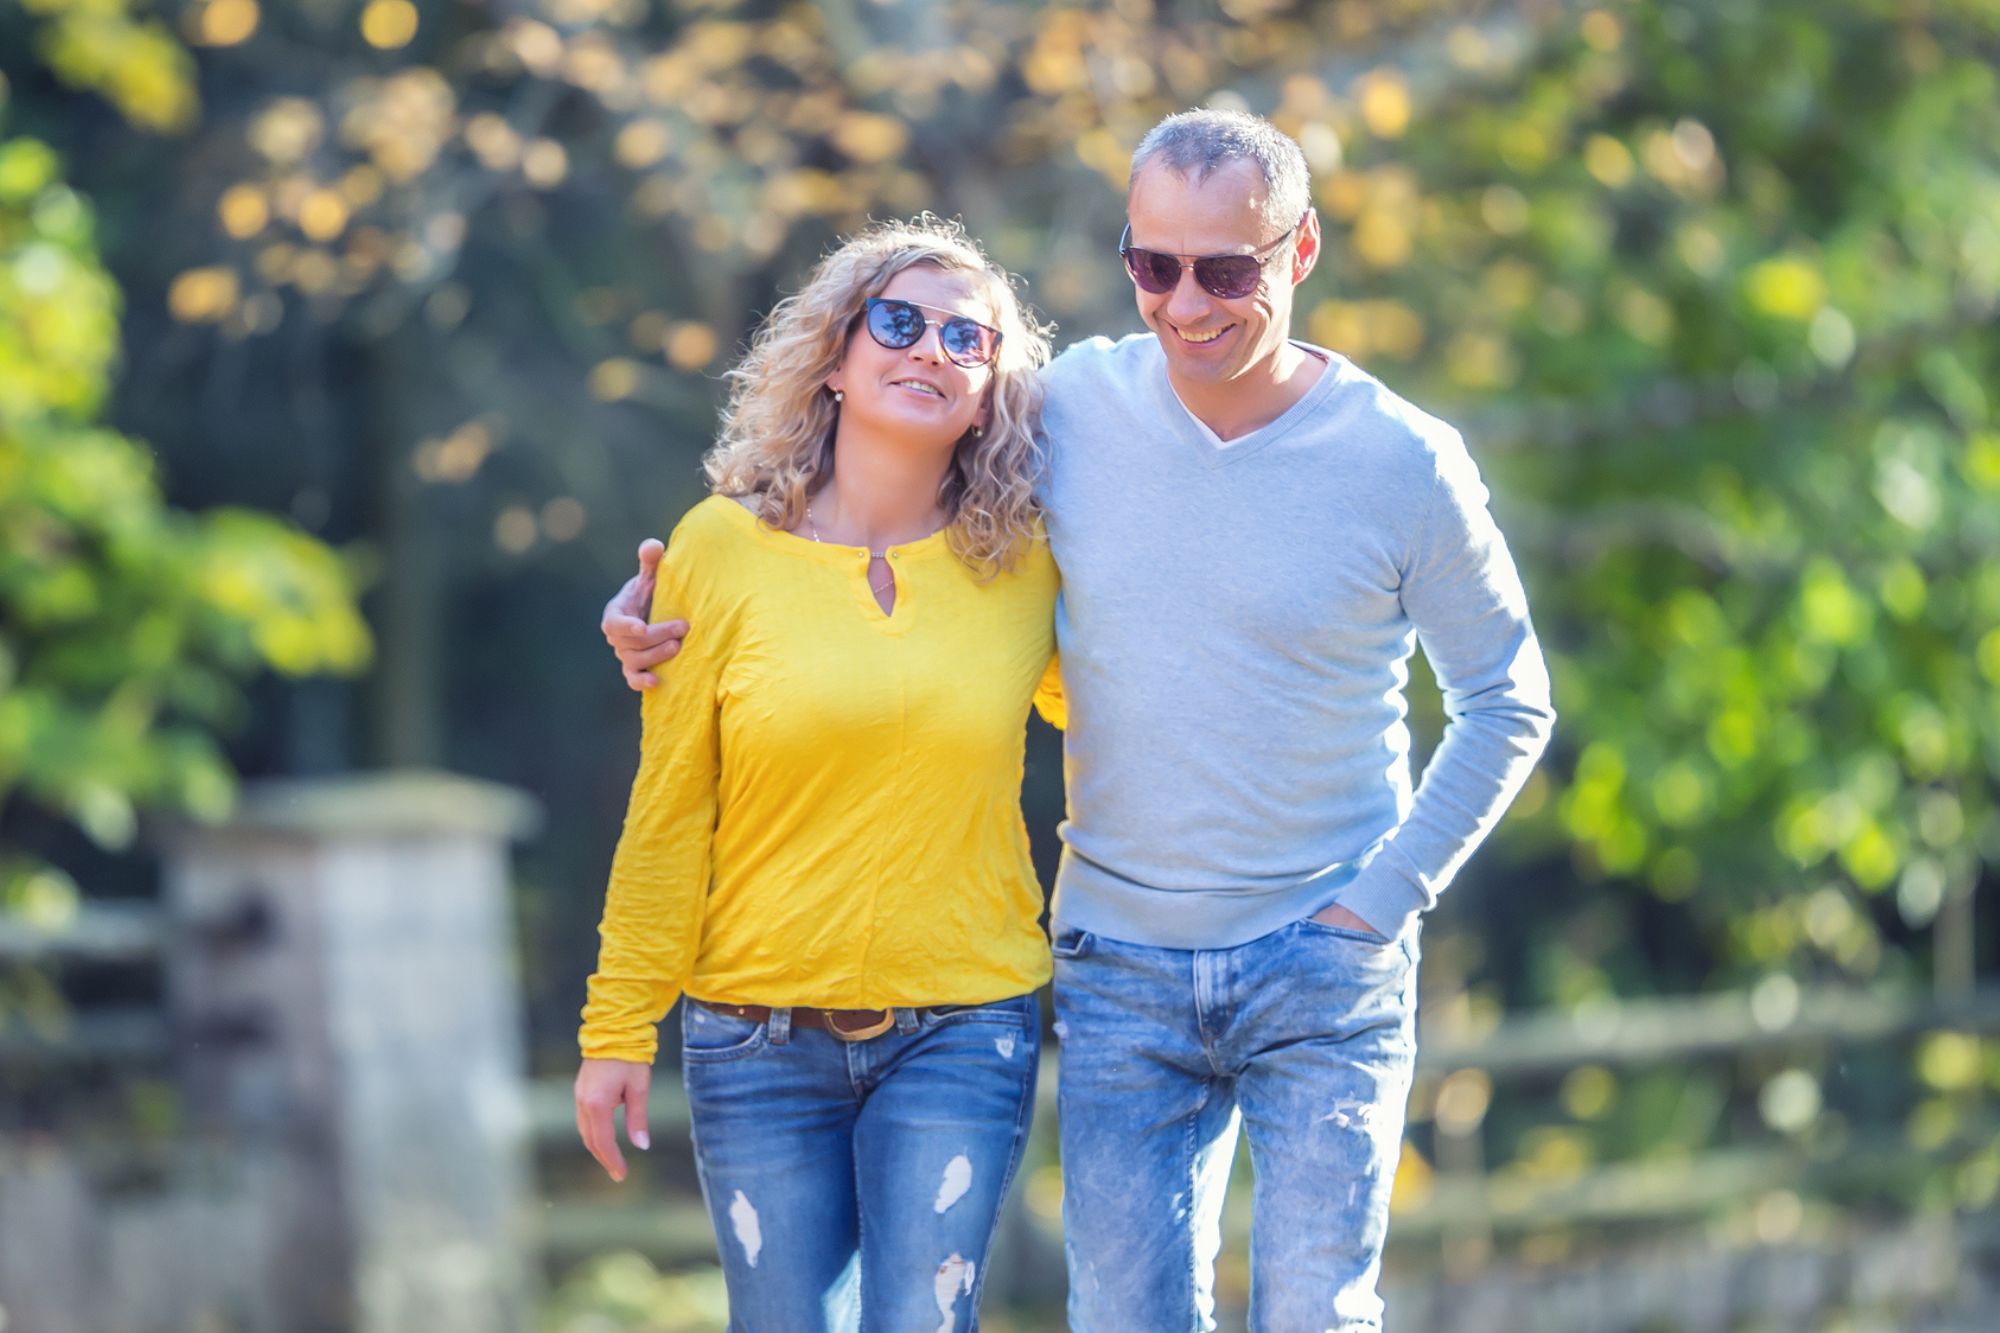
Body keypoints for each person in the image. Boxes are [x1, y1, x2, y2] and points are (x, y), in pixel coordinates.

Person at [604, 111, 1555, 1333]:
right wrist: (664, 611)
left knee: (1317, 1313)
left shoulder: (1403, 462)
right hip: (1118, 960)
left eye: (1225, 269)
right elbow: (867, 497)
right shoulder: (1062, 412)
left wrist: (1380, 899)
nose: (1184, 302)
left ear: (1300, 251)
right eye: (1150, 265)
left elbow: (1505, 696)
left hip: (1323, 957)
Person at [573, 215, 1062, 1333]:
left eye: (966, 339)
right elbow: (667, 813)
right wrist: (616, 1028)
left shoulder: (1029, 565)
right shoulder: (716, 549)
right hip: (750, 1033)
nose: (930, 350)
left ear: (990, 392)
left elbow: (1119, 718)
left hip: (963, 1019)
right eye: (898, 321)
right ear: (835, 359)